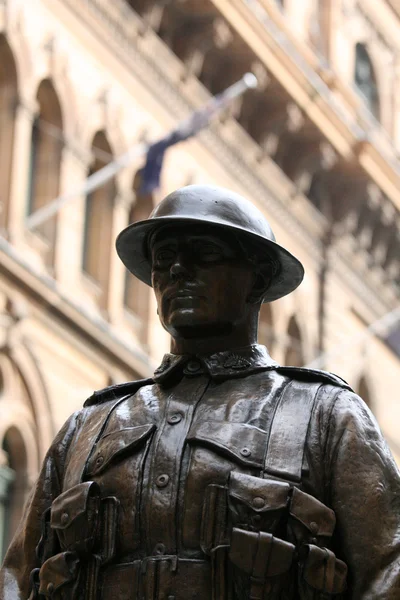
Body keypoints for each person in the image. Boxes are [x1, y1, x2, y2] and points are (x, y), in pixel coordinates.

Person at [1, 184, 399, 600]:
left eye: (204, 254)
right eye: (164, 258)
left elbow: (389, 573)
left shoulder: (326, 416)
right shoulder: (88, 427)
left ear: (258, 278)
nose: (177, 271)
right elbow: (17, 578)